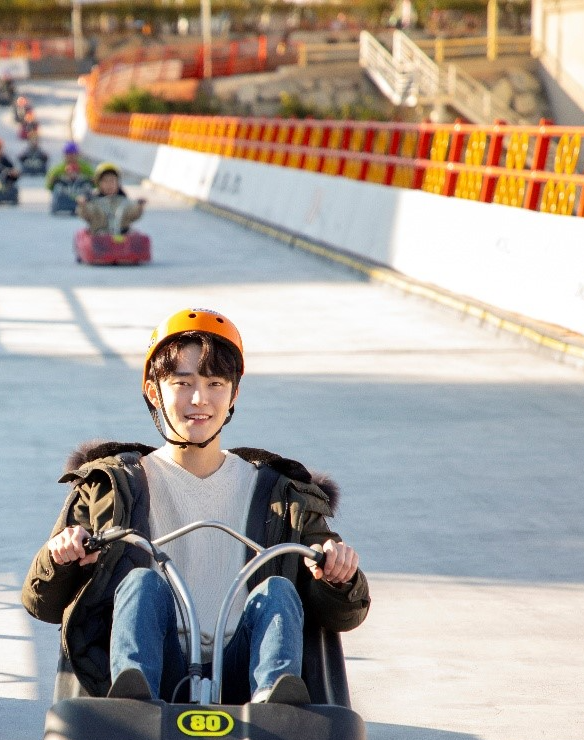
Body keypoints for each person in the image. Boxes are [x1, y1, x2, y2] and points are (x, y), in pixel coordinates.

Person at [21, 309, 370, 704]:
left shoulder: (284, 494)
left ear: (234, 394)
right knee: (141, 583)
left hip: (245, 670)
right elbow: (41, 602)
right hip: (159, 661)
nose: (199, 399)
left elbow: (345, 613)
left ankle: (276, 705)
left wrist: (338, 575)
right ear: (154, 392)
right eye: (182, 383)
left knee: (277, 589)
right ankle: (131, 704)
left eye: (215, 383)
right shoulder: (110, 489)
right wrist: (62, 557)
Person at [76, 162, 144, 235]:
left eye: (112, 181)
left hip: (122, 235)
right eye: (105, 181)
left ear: (117, 183)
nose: (109, 185)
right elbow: (87, 214)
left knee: (138, 236)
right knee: (100, 233)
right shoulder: (93, 200)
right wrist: (83, 206)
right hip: (99, 236)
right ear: (98, 183)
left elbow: (132, 214)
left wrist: (139, 207)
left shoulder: (124, 200)